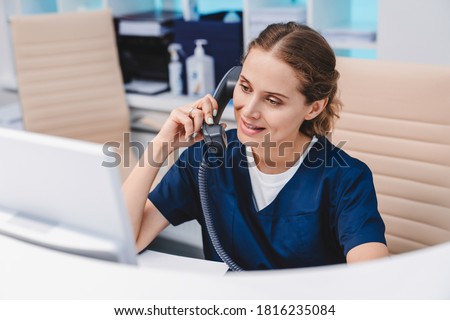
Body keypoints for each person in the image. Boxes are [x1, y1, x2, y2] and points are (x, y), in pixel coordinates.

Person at [122, 22, 389, 270]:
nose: (248, 111)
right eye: (245, 87)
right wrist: (161, 145)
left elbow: (374, 285)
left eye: (272, 100)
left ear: (315, 107)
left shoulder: (346, 179)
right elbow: (127, 240)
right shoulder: (205, 160)